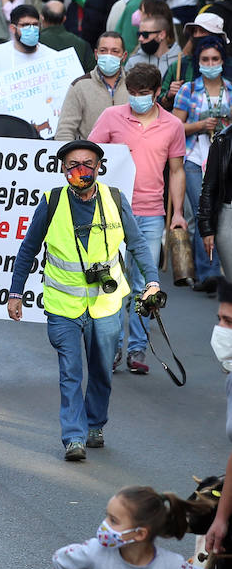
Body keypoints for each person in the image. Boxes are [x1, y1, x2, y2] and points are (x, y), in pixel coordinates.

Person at [6, 139, 161, 460]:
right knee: (71, 372)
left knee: (102, 369)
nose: (80, 171)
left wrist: (153, 281)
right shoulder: (51, 202)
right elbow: (27, 250)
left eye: (88, 164)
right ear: (63, 169)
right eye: (73, 165)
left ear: (99, 167)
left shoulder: (115, 200)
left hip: (105, 305)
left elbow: (138, 245)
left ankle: (94, 425)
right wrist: (15, 292)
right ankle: (73, 437)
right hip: (63, 307)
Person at [88, 64, 186, 374]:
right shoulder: (111, 117)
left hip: (151, 213)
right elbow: (89, 155)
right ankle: (113, 348)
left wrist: (179, 213)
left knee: (147, 284)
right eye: (132, 93)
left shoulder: (172, 126)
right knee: (114, 283)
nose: (137, 99)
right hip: (113, 212)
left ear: (157, 93)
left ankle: (138, 350)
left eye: (144, 94)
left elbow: (176, 170)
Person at [52, 486, 211, 569]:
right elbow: (61, 561)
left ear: (140, 533)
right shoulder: (95, 552)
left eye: (113, 521)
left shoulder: (173, 567)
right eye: (107, 516)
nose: (104, 525)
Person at [171, 38, 229, 291]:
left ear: (222, 61)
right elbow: (174, 127)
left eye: (215, 59)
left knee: (218, 212)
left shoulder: (230, 89)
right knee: (200, 211)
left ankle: (216, 268)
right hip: (195, 157)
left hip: (223, 160)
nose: (210, 64)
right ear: (198, 62)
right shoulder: (189, 90)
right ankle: (208, 272)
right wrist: (199, 126)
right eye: (205, 60)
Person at [0, 4, 55, 110]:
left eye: (35, 25)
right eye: (25, 25)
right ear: (13, 28)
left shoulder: (52, 56)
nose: (31, 29)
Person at [55, 32, 130, 142]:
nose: (108, 55)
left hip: (128, 156)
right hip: (90, 156)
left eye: (115, 51)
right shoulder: (79, 86)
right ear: (96, 54)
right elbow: (65, 130)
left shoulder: (134, 85)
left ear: (124, 56)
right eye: (103, 51)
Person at [38, 0, 95, 73]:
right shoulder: (82, 44)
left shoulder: (36, 42)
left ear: (42, 18)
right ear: (64, 19)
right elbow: (91, 72)